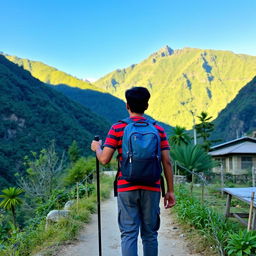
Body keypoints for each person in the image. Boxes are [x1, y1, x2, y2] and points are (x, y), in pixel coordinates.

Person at [91, 86, 175, 256]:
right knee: (150, 234)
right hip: (152, 186)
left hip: (126, 186)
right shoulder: (158, 130)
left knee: (129, 233)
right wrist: (170, 191)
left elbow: (104, 159)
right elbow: (167, 161)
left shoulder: (117, 128)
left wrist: (97, 148)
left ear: (127, 105)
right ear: (147, 106)